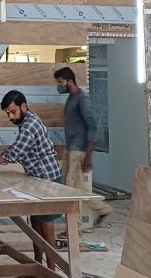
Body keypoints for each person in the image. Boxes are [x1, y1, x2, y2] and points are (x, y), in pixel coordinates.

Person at [0, 90, 62, 270]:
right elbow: (17, 149)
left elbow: (13, 155)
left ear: (23, 106)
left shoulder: (29, 125)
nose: (11, 117)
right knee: (36, 224)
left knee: (46, 226)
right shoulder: (27, 120)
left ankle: (51, 271)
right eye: (8, 114)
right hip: (37, 179)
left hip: (48, 179)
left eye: (13, 112)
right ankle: (38, 267)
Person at [54, 67, 113, 228]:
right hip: (70, 148)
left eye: (60, 82)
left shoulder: (82, 99)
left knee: (72, 190)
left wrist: (88, 155)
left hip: (78, 151)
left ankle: (75, 229)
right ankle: (102, 209)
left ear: (70, 81)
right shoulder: (71, 98)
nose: (58, 86)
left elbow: (93, 127)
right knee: (73, 188)